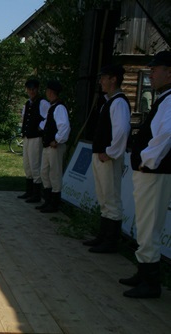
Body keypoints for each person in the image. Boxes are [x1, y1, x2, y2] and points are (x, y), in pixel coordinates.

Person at [120, 51, 171, 299]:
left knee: (150, 226)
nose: (150, 74)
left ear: (169, 72)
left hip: (154, 172)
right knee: (144, 223)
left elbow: (166, 135)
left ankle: (151, 282)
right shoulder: (165, 99)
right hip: (149, 171)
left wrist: (147, 161)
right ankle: (143, 272)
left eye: (155, 69)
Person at [83, 64, 131, 253]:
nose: (101, 81)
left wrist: (110, 152)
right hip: (102, 156)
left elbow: (121, 131)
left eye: (104, 77)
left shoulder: (118, 102)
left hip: (108, 158)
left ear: (113, 79)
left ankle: (110, 241)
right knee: (104, 198)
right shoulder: (109, 101)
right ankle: (103, 236)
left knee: (111, 199)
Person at [35, 80, 70, 213]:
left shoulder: (59, 107)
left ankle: (54, 203)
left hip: (54, 147)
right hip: (47, 146)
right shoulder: (53, 106)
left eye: (47, 91)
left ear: (51, 92)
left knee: (55, 174)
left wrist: (57, 140)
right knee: (45, 172)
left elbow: (64, 126)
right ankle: (47, 200)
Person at [17, 79, 50, 203]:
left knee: (35, 164)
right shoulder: (27, 103)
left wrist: (40, 127)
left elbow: (49, 116)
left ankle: (36, 194)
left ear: (37, 89)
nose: (31, 91)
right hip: (27, 137)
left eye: (33, 89)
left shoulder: (43, 103)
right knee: (27, 164)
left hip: (36, 137)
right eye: (29, 89)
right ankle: (29, 190)